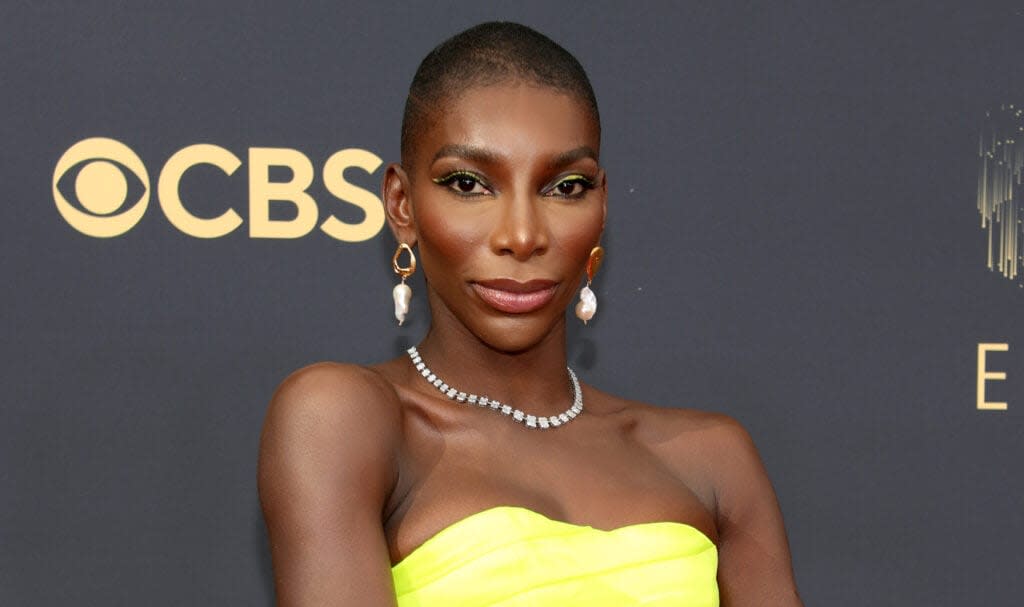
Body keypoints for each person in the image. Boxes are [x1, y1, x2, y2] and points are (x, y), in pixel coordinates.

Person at [258, 21, 802, 606]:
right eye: (468, 183)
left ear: (601, 206)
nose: (522, 235)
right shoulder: (342, 420)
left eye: (566, 187)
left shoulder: (714, 458)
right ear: (401, 205)